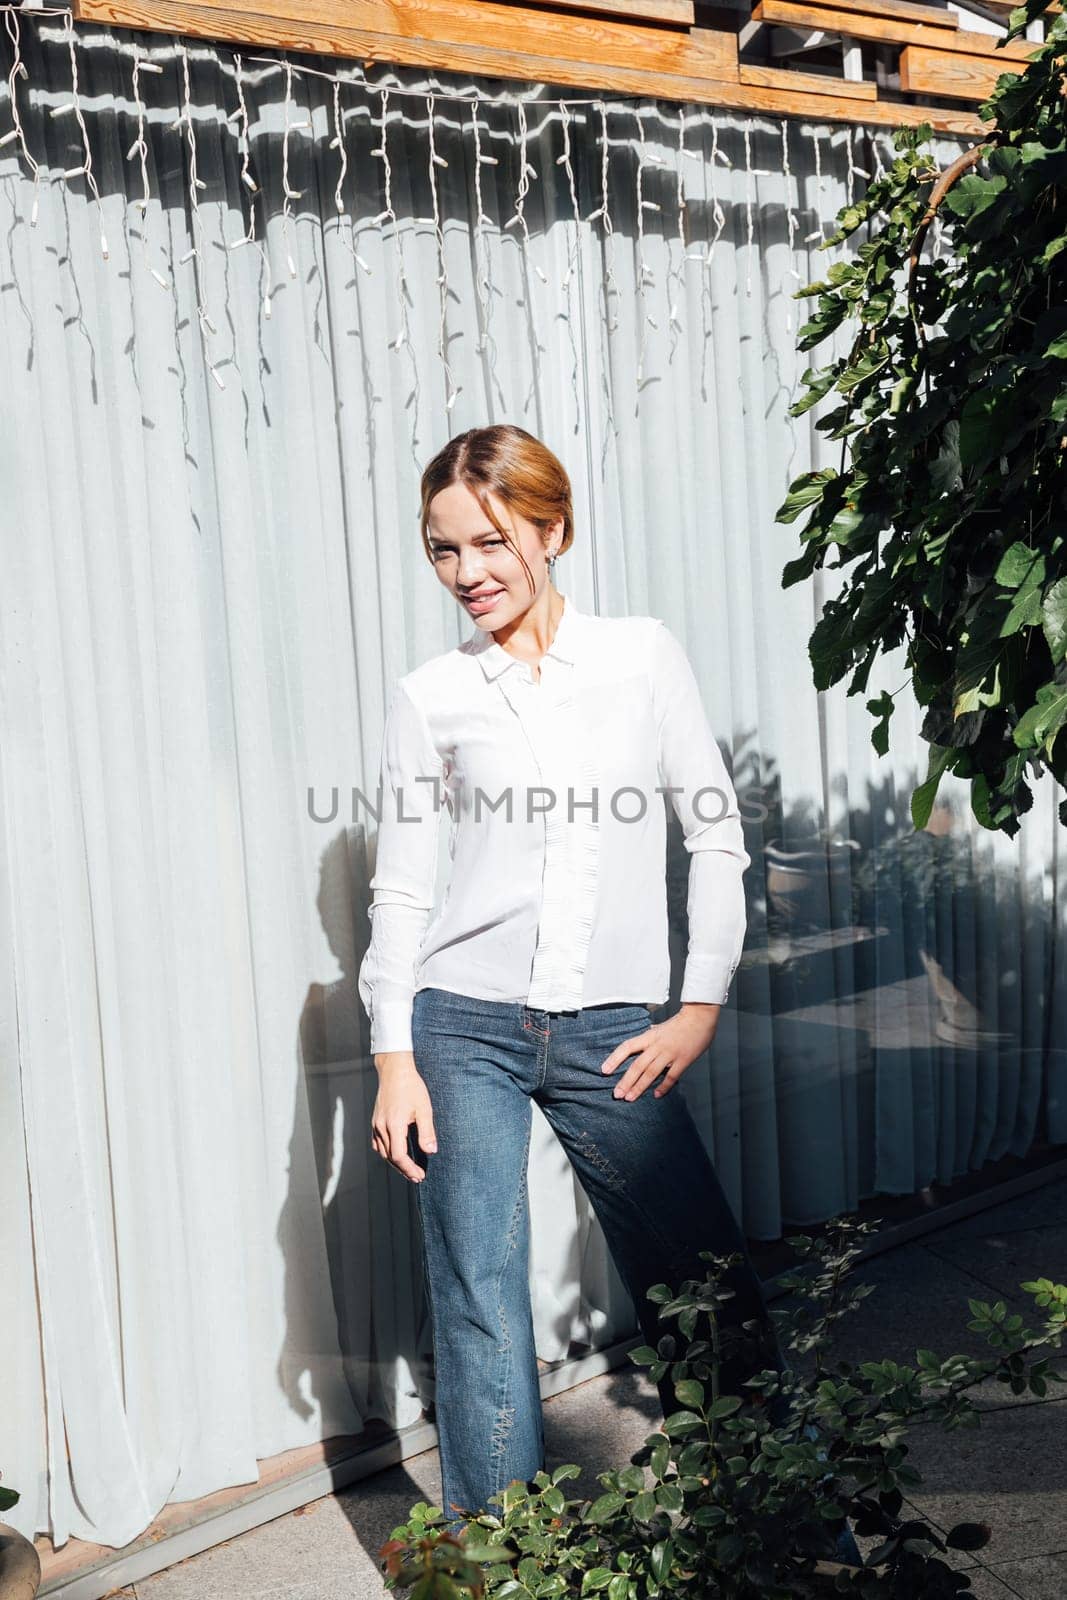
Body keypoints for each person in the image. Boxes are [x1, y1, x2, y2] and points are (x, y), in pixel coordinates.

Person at [357, 425, 858, 1563]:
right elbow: (400, 885)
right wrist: (393, 1054)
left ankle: (790, 1536)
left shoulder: (639, 657)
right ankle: (507, 1567)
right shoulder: (431, 695)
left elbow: (714, 837)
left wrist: (696, 1003)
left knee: (696, 1281)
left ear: (552, 530)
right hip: (461, 1023)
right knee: (481, 1298)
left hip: (612, 1029)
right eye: (442, 551)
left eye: (489, 542)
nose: (467, 572)